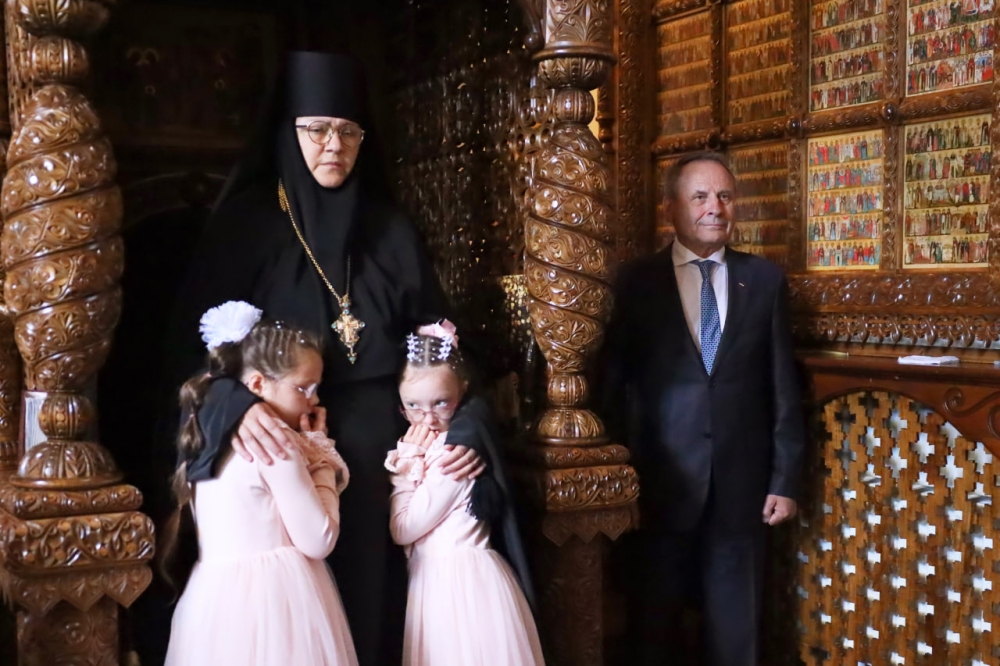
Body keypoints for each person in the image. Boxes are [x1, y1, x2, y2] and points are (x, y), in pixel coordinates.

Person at [150, 52, 488, 666]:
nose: (335, 145)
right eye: (318, 129)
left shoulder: (390, 230)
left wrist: (465, 425)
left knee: (379, 612)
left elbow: (445, 350)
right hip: (287, 466)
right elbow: (189, 353)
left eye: (349, 131)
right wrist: (234, 406)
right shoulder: (248, 226)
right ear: (289, 133)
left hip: (387, 470)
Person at [601, 151, 805, 666]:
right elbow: (612, 386)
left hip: (743, 489)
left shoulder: (764, 281)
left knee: (737, 632)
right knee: (654, 628)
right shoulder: (635, 283)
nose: (715, 207)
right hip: (658, 485)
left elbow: (783, 388)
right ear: (671, 208)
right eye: (700, 197)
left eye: (724, 196)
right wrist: (616, 476)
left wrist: (784, 480)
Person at [160, 301, 357, 666]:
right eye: (304, 387)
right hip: (277, 601)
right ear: (256, 383)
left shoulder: (206, 438)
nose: (314, 399)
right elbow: (319, 539)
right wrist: (322, 460)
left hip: (213, 603)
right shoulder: (275, 444)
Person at [385, 322, 544, 666]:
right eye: (413, 405)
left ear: (463, 392)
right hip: (441, 578)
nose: (427, 418)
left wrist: (404, 469)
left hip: (459, 586)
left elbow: (403, 528)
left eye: (441, 403)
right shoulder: (435, 445)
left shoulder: (451, 456)